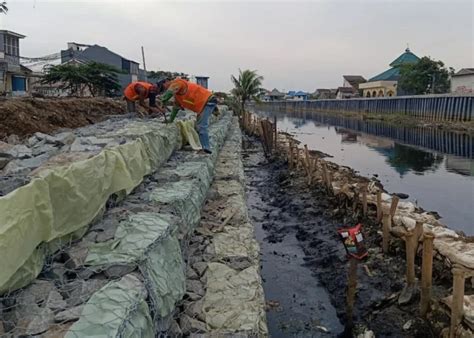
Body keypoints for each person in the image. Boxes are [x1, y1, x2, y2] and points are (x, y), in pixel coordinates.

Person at [158, 77, 217, 154]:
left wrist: (163, 99)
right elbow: (176, 108)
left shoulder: (178, 82)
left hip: (207, 102)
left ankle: (206, 149)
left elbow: (171, 90)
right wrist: (170, 120)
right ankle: (205, 147)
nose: (165, 89)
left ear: (167, 81)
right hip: (203, 104)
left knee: (201, 126)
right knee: (199, 126)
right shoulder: (178, 96)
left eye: (163, 86)